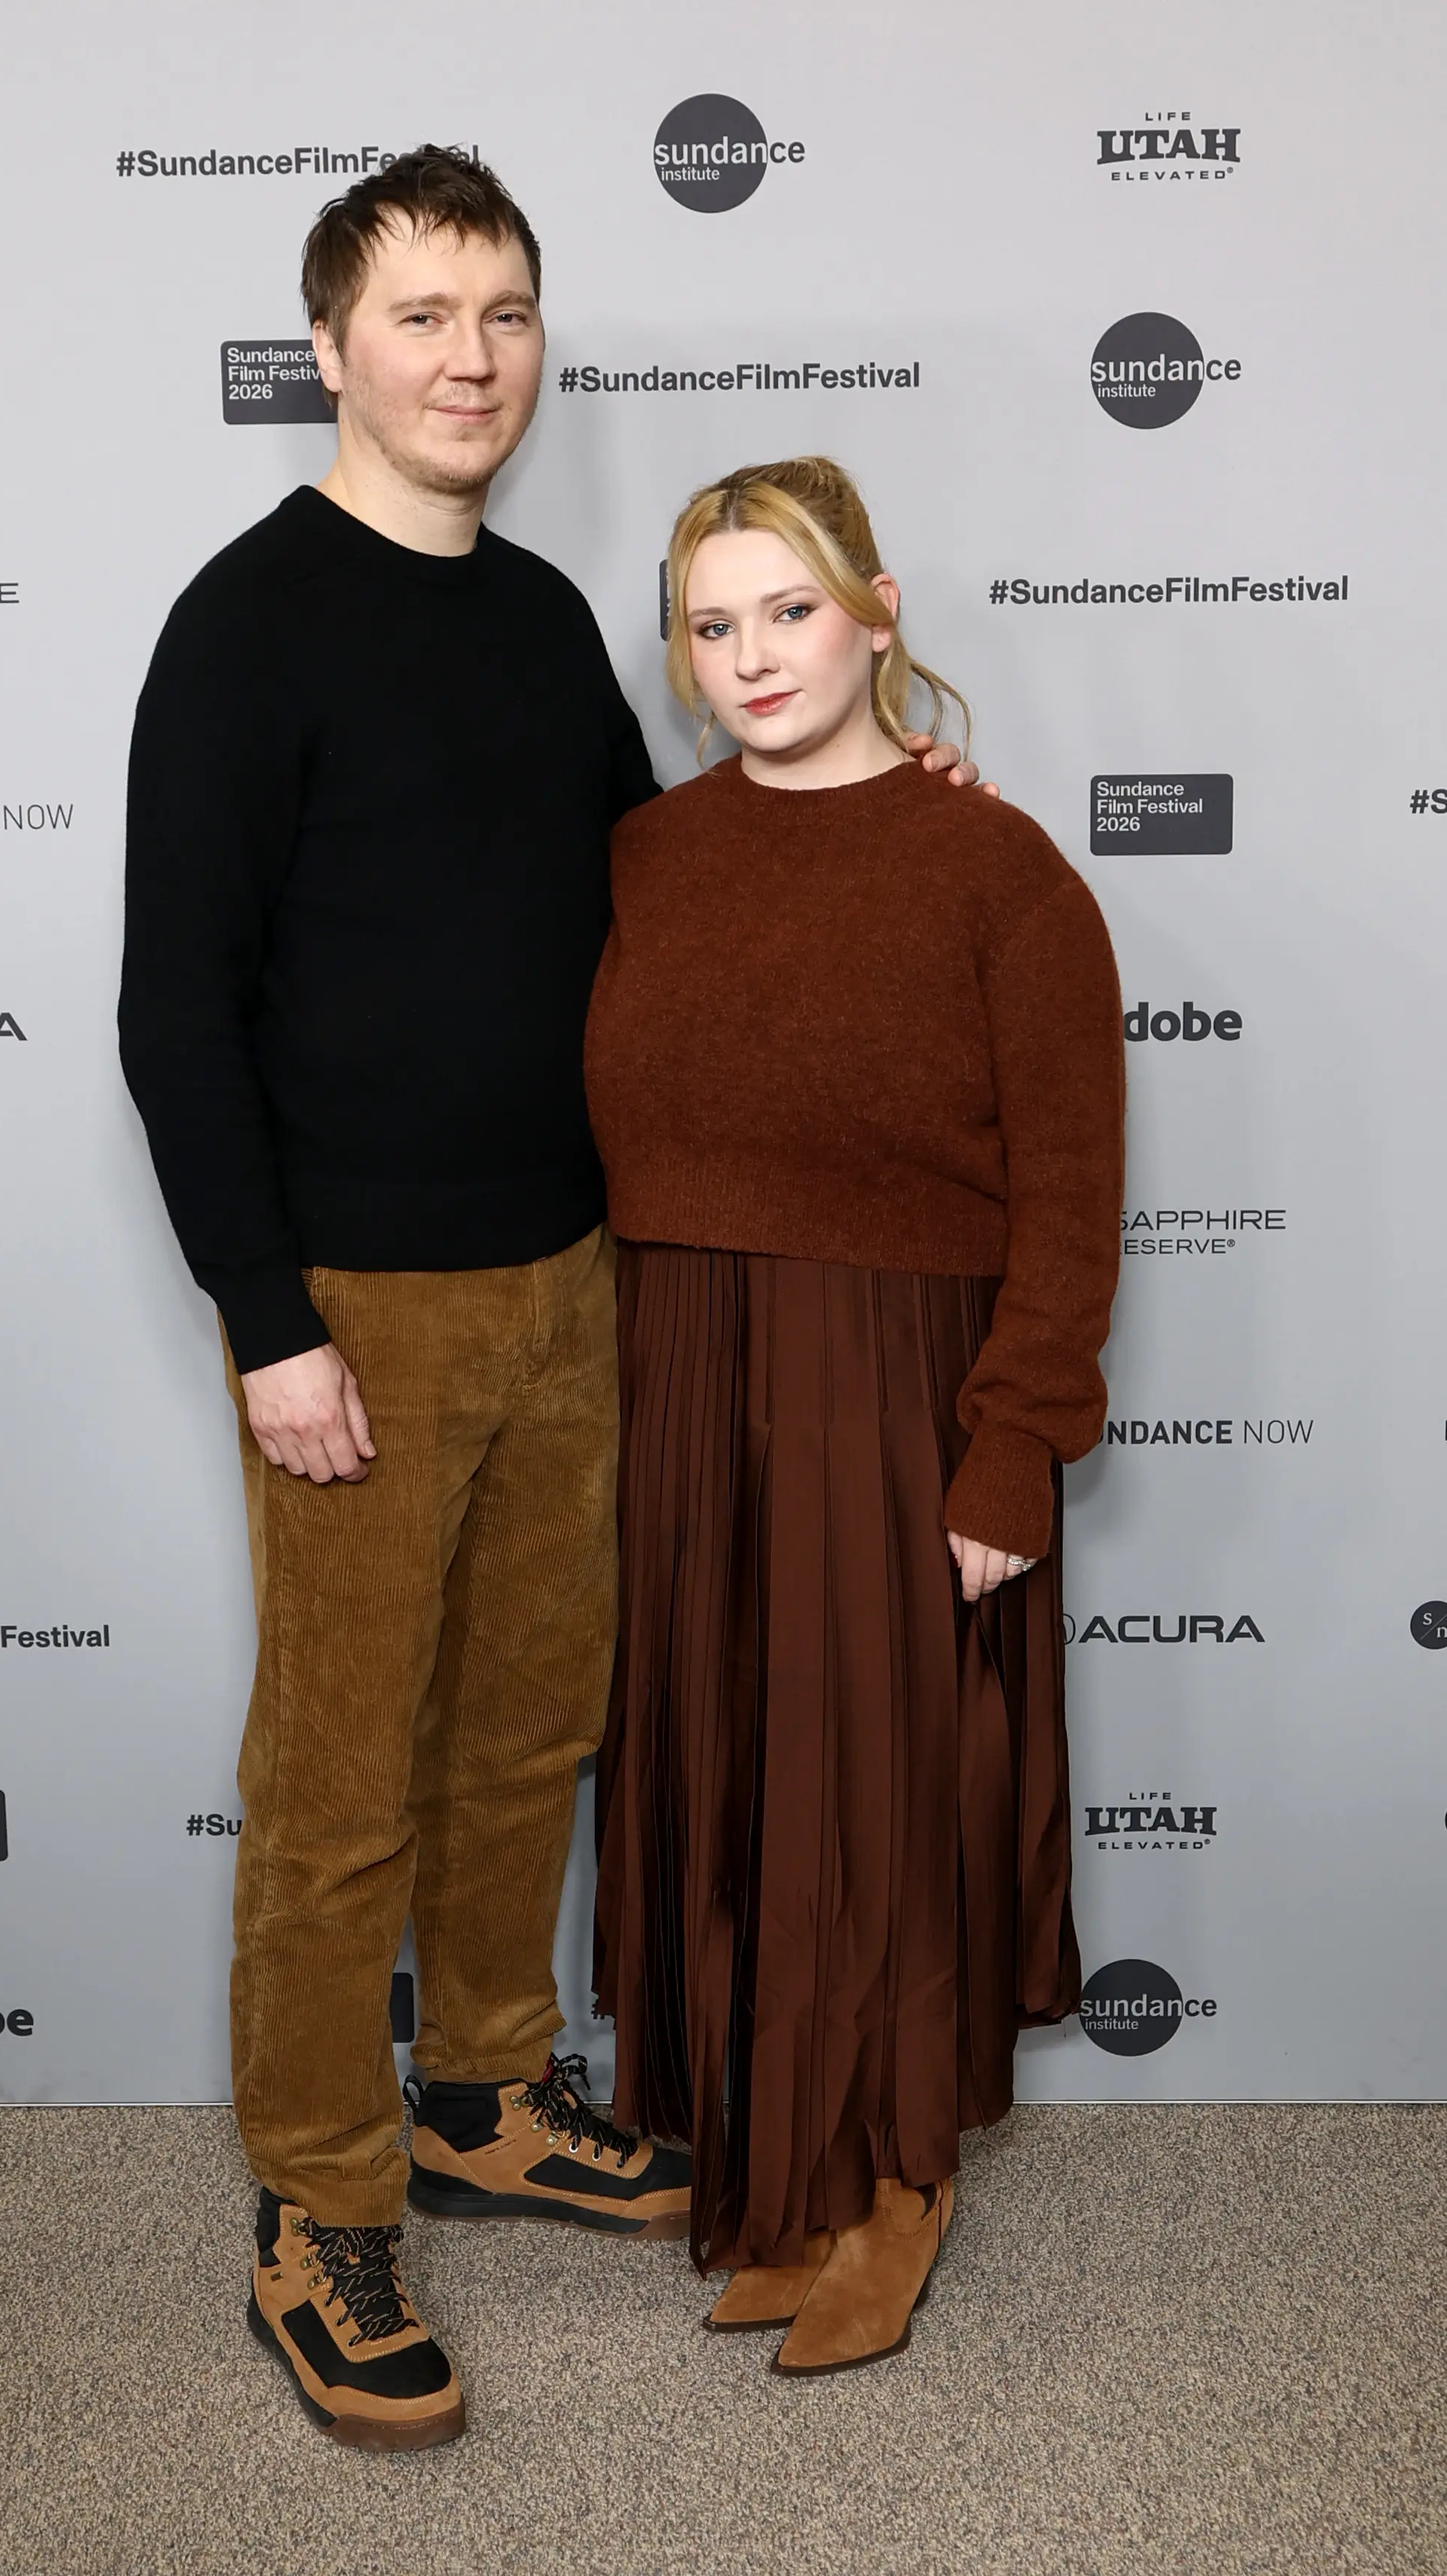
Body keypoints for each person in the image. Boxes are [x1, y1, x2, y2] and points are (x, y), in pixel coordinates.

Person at [121, 152, 984, 2451]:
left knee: (529, 1731)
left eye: (504, 310)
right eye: (421, 313)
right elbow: (173, 1011)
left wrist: (907, 791)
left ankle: (487, 2088)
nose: (470, 354)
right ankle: (320, 2204)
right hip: (357, 1311)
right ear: (332, 346)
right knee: (336, 1778)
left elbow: (678, 892)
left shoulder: (529, 621)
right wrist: (265, 1314)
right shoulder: (243, 624)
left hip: (579, 1273)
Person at [585, 455, 1124, 2375]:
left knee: (883, 1791)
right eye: (713, 626)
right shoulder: (650, 853)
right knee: (732, 1773)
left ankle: (901, 2176)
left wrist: (1014, 1441)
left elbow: (1071, 1190)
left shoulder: (1001, 871)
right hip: (684, 1376)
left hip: (899, 1391)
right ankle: (780, 2163)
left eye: (788, 611)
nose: (751, 657)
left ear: (878, 610)